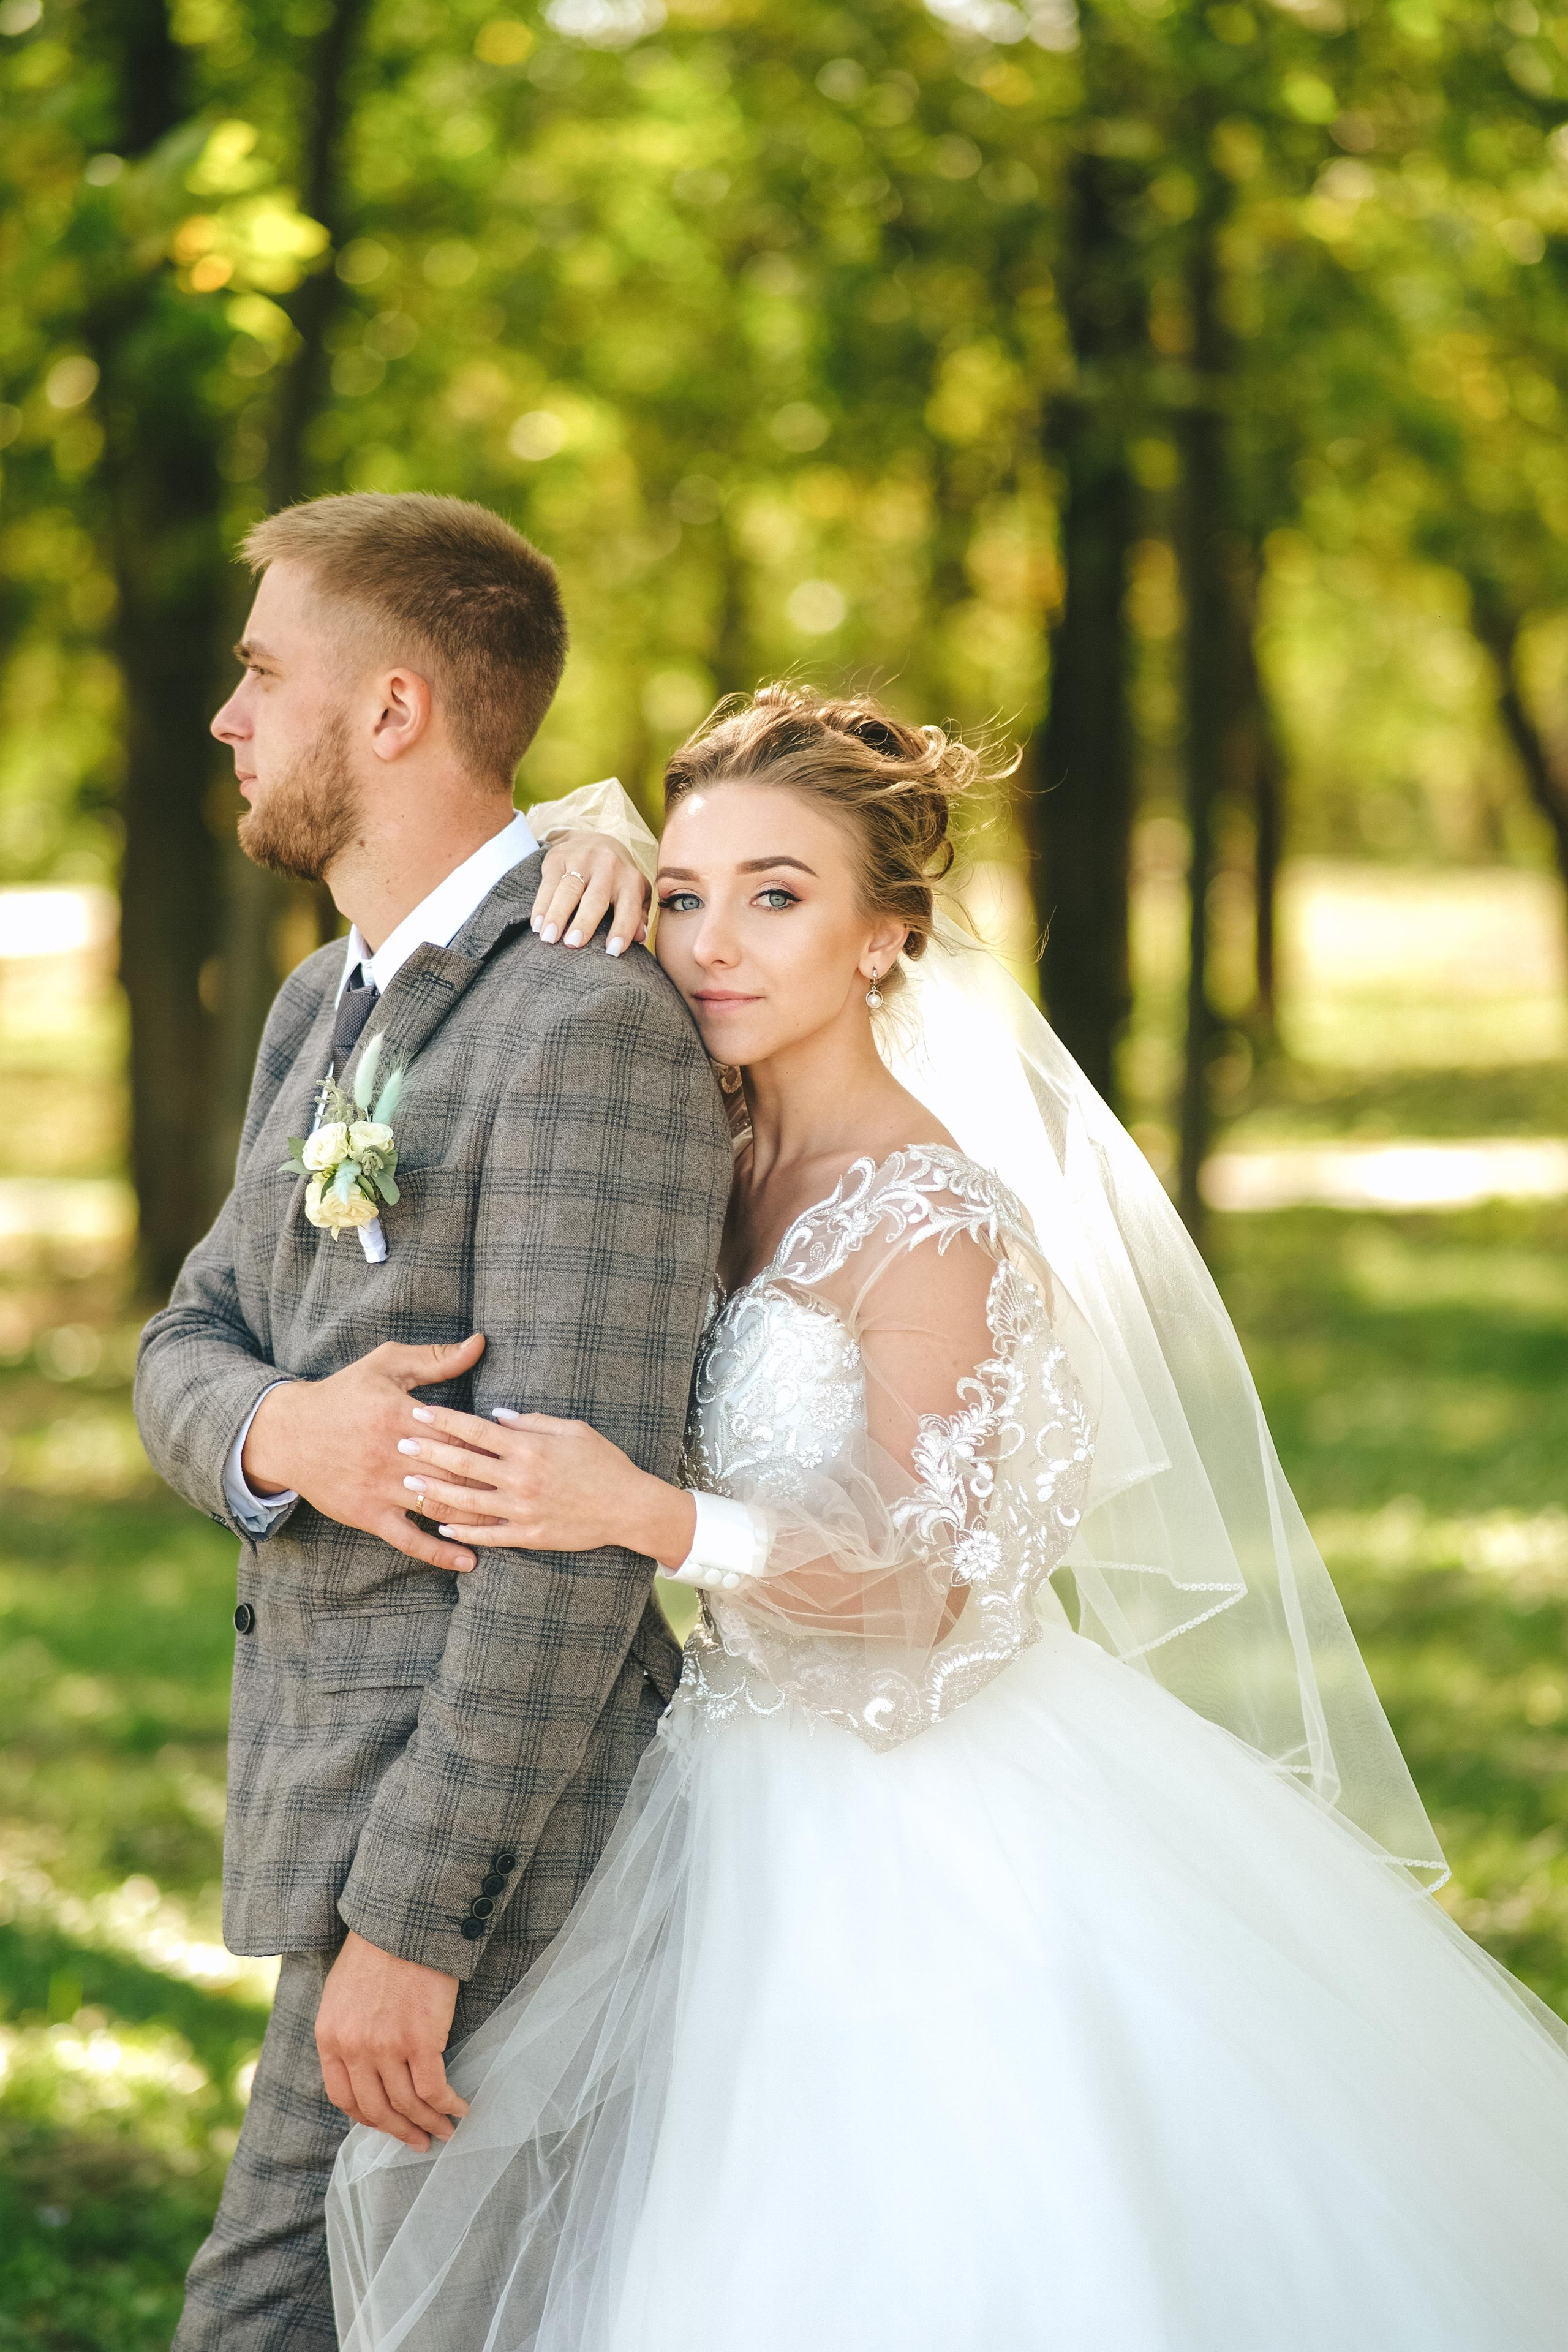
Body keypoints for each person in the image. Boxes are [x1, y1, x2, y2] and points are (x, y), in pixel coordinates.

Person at [326, 682, 1568, 2351]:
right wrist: (591, 836)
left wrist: (651, 1518)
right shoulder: (706, 1140)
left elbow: (931, 1591)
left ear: (886, 942)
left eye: (782, 897)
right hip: (714, 1767)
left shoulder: (935, 1222)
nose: (714, 945)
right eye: (687, 897)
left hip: (921, 1807)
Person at [133, 491, 732, 2351]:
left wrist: (416, 1925)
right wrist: (284, 1435)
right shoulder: (325, 998)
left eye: (260, 673)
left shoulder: (586, 1028)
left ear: (393, 709)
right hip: (335, 1818)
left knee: (274, 2315)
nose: (226, 718)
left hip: (478, 1844)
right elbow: (185, 1340)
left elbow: (569, 1533)